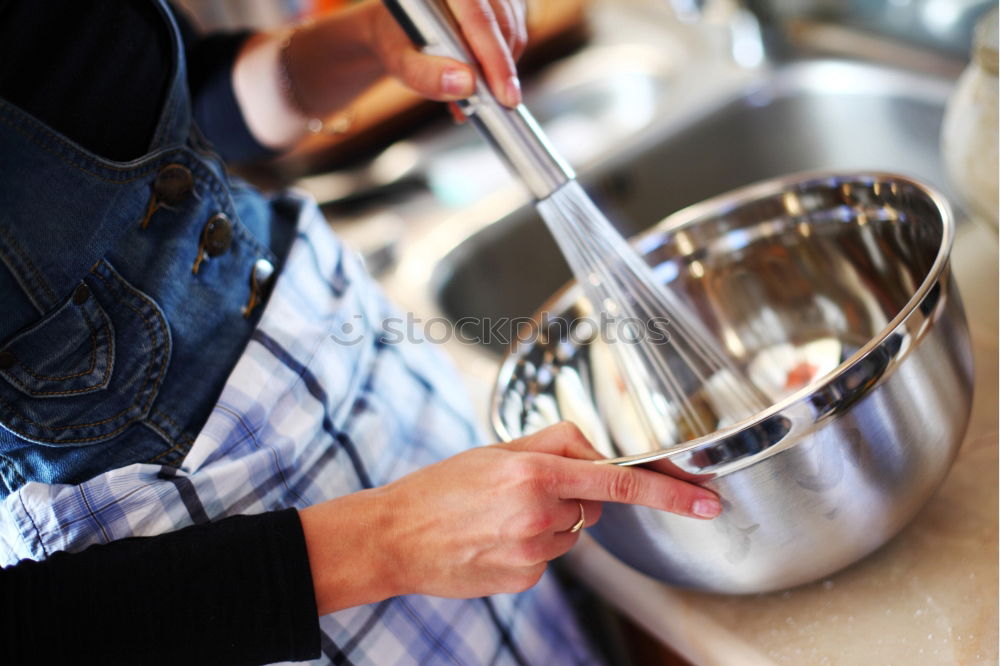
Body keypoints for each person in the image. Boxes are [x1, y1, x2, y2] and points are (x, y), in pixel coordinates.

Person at [0, 1, 722, 663]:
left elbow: (174, 116)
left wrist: (360, 45)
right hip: (241, 603)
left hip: (384, 409)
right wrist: (389, 540)